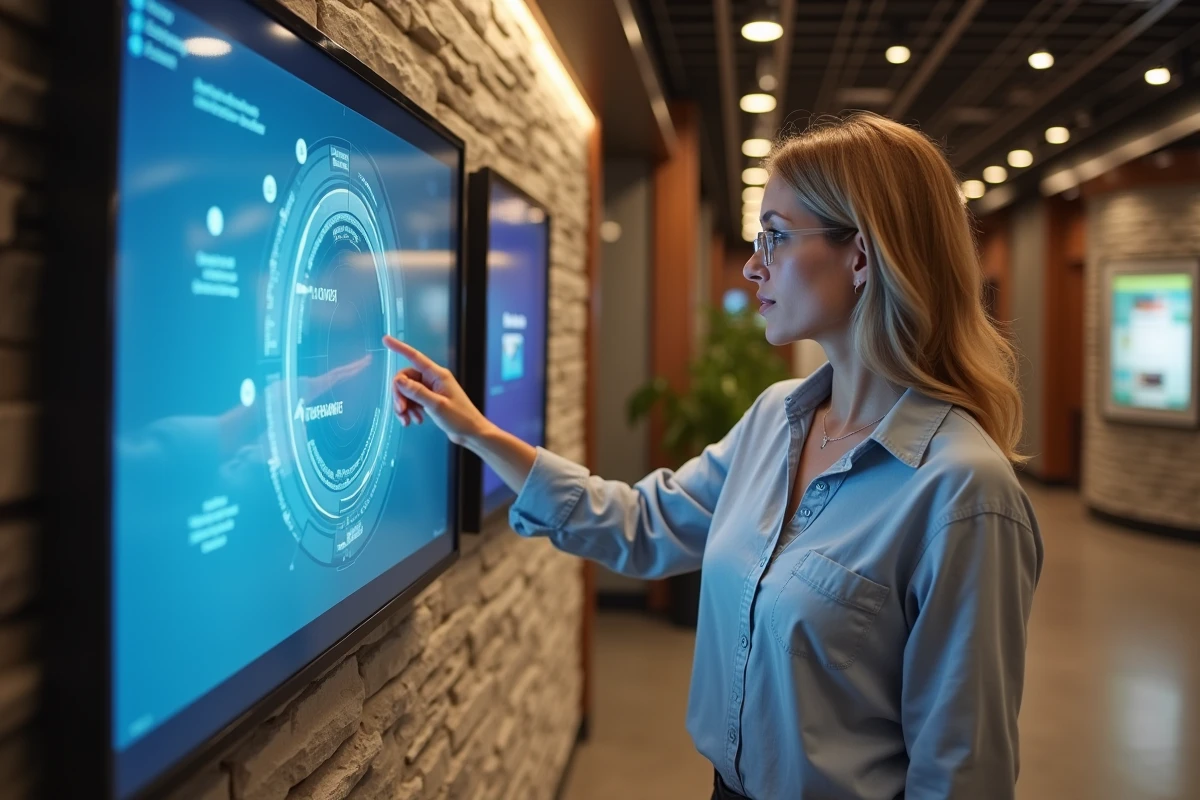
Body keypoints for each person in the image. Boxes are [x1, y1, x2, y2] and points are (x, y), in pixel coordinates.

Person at [382, 111, 1044, 800]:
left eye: (777, 237)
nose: (753, 265)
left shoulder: (964, 492)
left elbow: (961, 777)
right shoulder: (775, 420)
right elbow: (641, 524)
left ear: (861, 257)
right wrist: (478, 433)